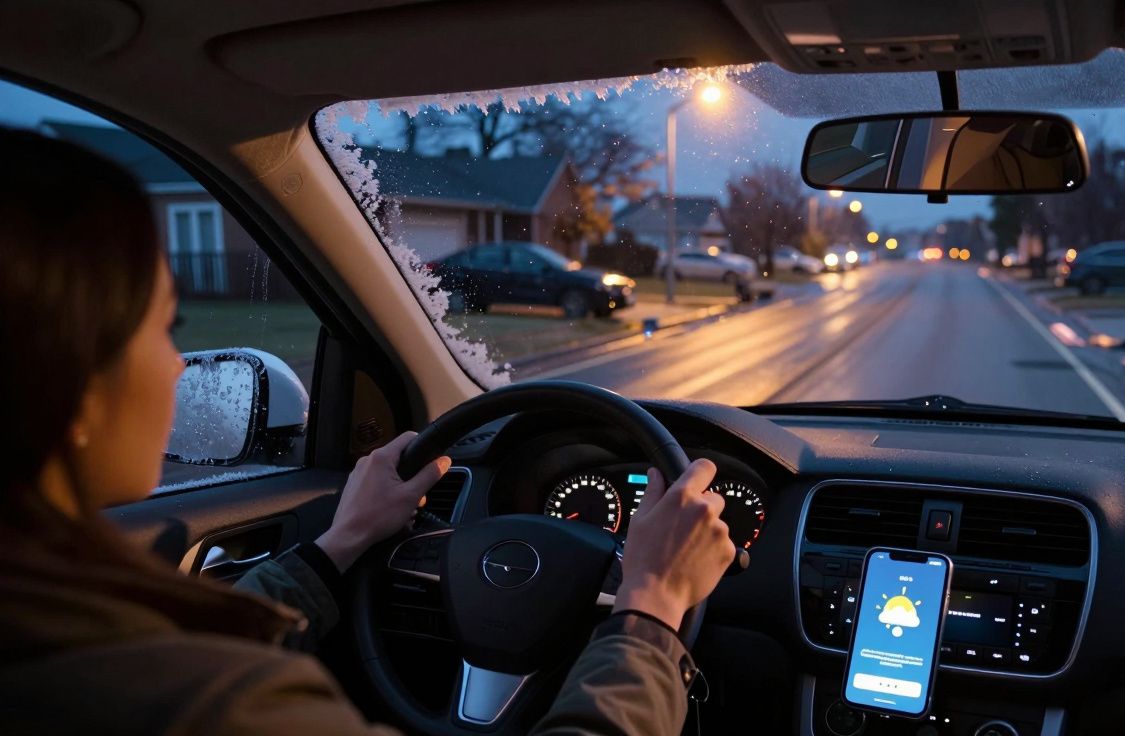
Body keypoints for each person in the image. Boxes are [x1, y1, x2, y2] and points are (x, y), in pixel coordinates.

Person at [0, 128, 737, 734]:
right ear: (69, 382)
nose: (176, 366)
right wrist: (651, 604)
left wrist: (343, 542)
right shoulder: (220, 707)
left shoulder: (67, 638)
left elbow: (178, 648)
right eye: (164, 327)